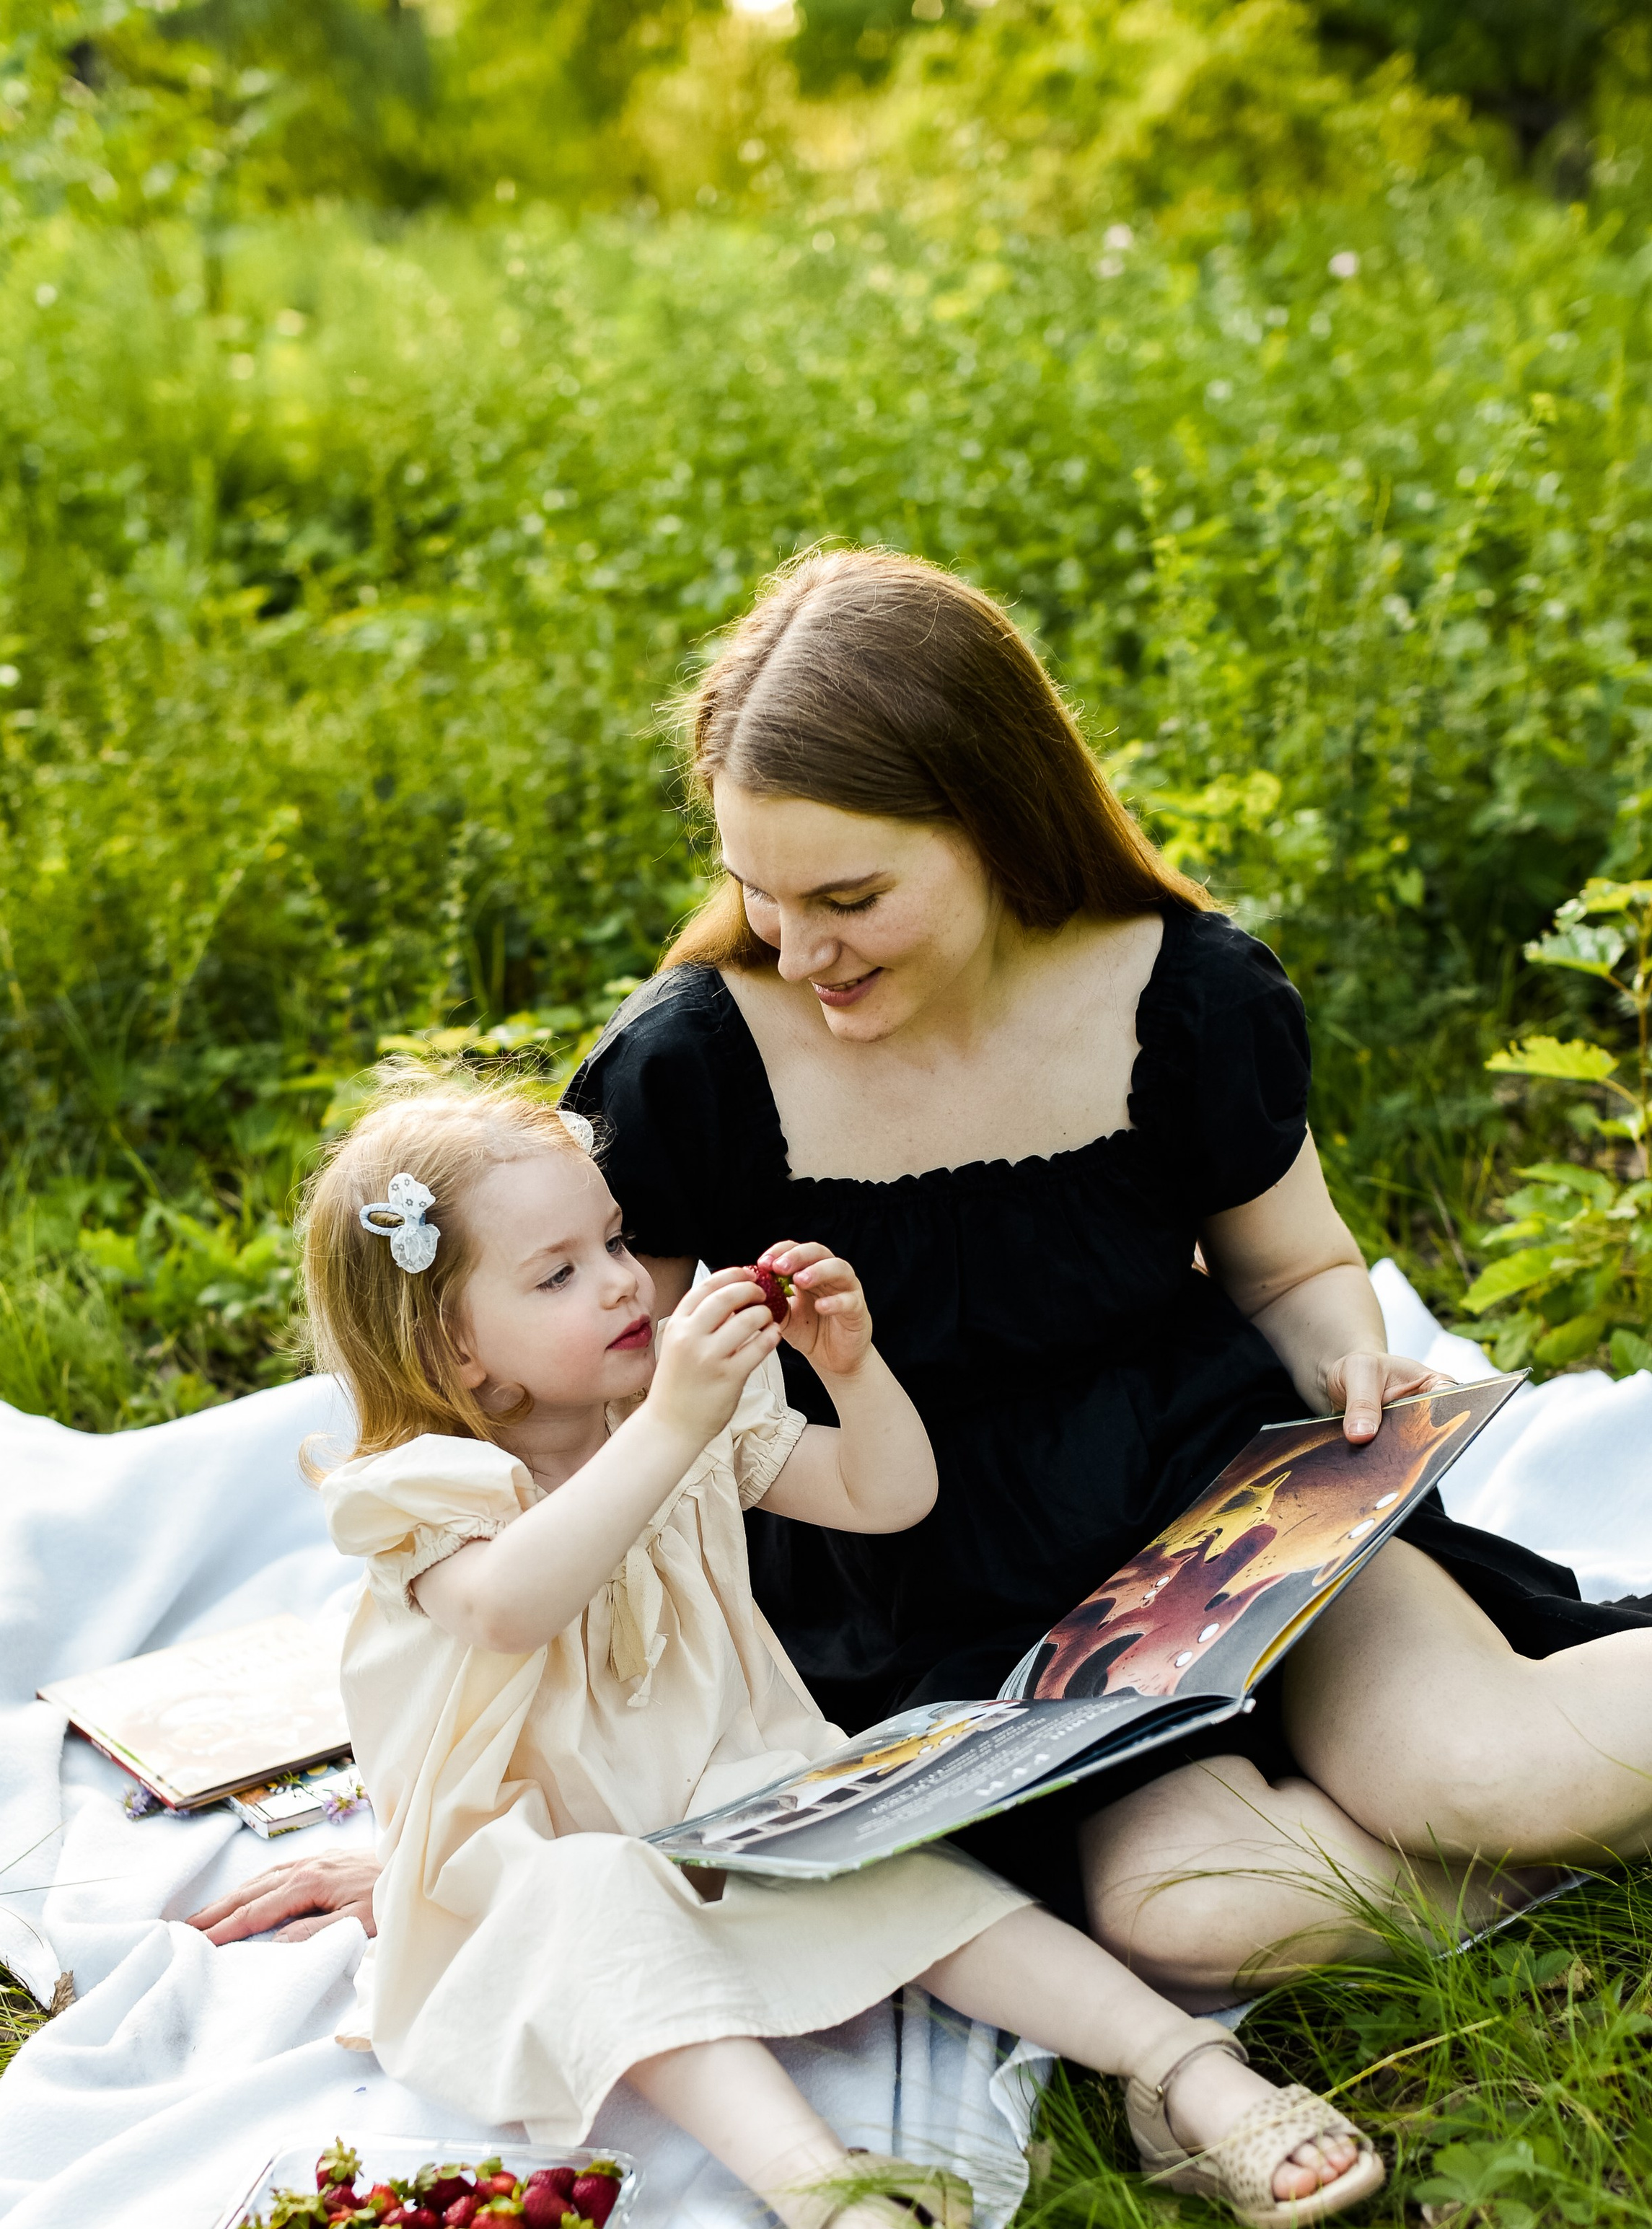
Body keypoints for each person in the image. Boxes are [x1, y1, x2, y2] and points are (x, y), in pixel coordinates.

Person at [555, 548, 1652, 2007]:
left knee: (1479, 1770)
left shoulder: (1180, 992)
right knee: (1196, 1916)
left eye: (849, 896)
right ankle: (1547, 1860)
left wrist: (1344, 1355)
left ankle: (1510, 1821)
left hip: (1221, 1509)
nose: (798, 946)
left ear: (997, 823)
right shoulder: (689, 1066)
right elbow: (593, 1399)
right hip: (944, 1600)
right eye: (757, 892)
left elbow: (1295, 1267)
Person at [188, 1073, 1391, 2229]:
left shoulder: (672, 1415)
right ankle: (827, 2194)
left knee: (893, 1856)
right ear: (455, 1349)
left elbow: (888, 1497)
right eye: (557, 1276)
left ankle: (1178, 2066)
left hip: (721, 1786)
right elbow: (510, 1606)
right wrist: (670, 1425)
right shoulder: (425, 1489)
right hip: (535, 1851)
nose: (622, 1283)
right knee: (593, 1908)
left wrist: (853, 1370)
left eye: (616, 1241)